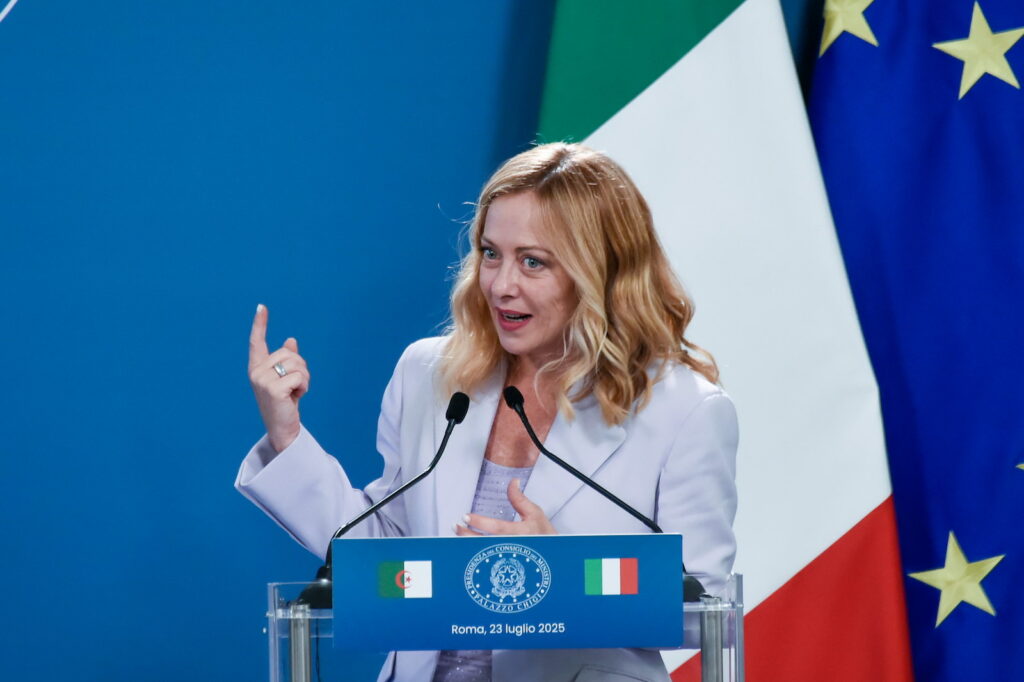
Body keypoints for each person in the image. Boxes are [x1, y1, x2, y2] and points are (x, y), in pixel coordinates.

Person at [237, 142, 738, 682]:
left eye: (533, 262)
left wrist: (564, 579)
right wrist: (286, 434)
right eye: (491, 254)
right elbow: (384, 557)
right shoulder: (429, 374)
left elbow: (701, 611)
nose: (501, 285)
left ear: (602, 271)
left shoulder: (685, 410)